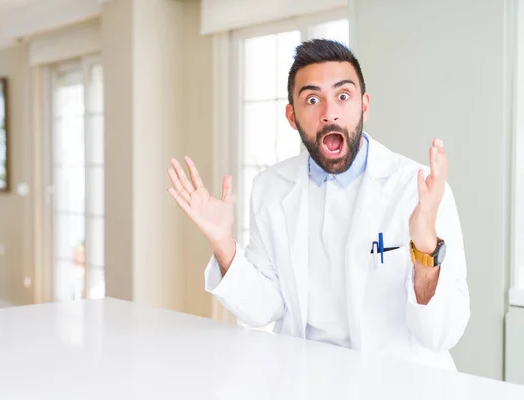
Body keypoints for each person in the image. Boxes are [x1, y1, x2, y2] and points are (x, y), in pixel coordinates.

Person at [167, 39, 469, 371]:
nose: (329, 113)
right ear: (292, 116)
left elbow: (441, 335)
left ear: (364, 106)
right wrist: (222, 242)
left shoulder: (419, 189)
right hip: (307, 378)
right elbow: (263, 308)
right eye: (312, 99)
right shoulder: (271, 188)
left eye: (343, 96)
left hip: (399, 382)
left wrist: (426, 249)